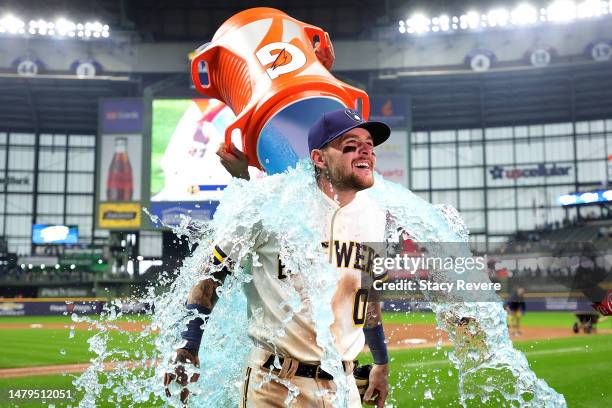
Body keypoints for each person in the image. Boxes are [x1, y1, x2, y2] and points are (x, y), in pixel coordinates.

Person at [164, 108, 392, 407]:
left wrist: (381, 362)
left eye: (369, 146)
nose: (366, 151)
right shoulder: (273, 203)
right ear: (319, 158)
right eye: (350, 145)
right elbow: (213, 270)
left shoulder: (374, 215)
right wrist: (188, 344)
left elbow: (368, 294)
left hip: (344, 386)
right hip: (275, 385)